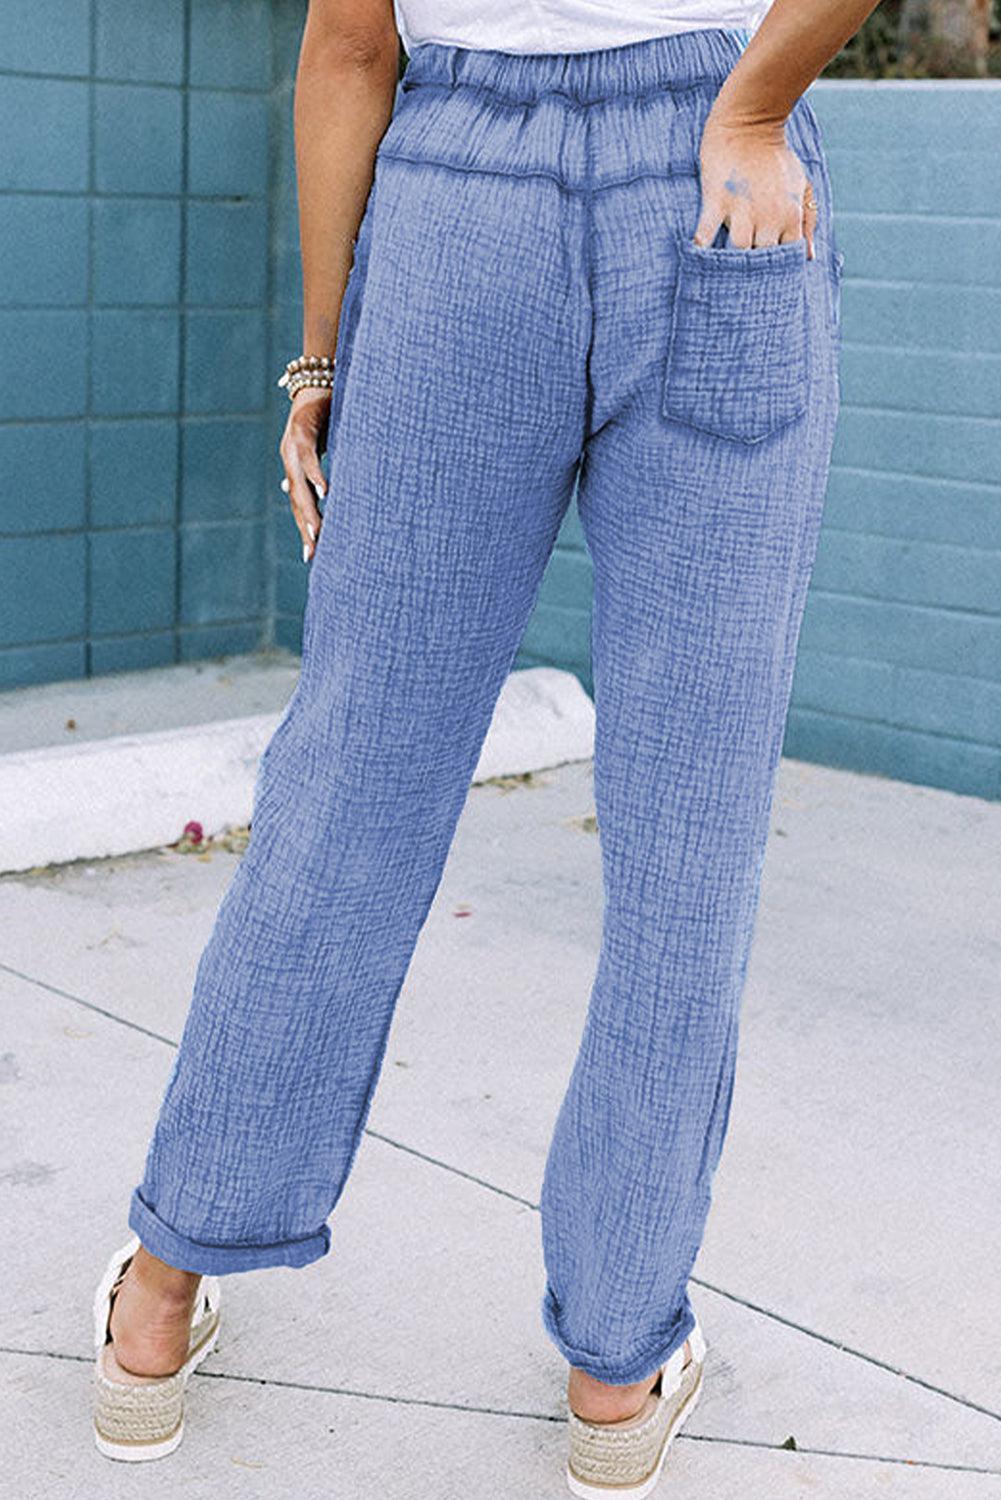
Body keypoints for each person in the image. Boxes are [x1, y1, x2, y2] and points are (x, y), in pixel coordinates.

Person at [91, 1, 878, 1491]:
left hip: (455, 196)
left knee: (348, 789)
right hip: (717, 184)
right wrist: (755, 105)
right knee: (687, 831)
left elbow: (346, 47)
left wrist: (322, 363)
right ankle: (614, 1365)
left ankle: (157, 1302)